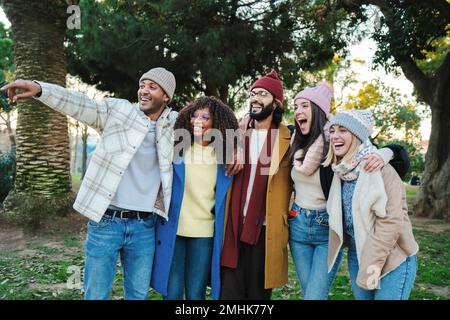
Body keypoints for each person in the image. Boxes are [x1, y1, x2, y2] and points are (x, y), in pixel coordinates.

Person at [1, 68, 178, 300]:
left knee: (137, 295)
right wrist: (41, 89)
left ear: (166, 97)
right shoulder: (118, 111)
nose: (144, 91)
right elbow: (79, 102)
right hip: (106, 222)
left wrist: (236, 147)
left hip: (144, 227)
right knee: (96, 295)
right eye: (142, 85)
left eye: (152, 87)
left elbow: (211, 126)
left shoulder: (176, 125)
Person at [288, 82, 397, 299]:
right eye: (295, 107)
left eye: (304, 106)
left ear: (318, 111)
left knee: (314, 296)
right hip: (297, 226)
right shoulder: (293, 139)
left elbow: (386, 152)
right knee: (309, 292)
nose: (298, 111)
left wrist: (385, 153)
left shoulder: (336, 143)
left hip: (326, 228)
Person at [324, 109, 419, 300]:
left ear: (357, 135)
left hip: (393, 258)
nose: (335, 136)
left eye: (342, 130)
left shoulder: (381, 169)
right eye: (332, 130)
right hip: (358, 255)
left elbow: (391, 222)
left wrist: (370, 266)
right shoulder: (340, 171)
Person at [152, 96, 239, 300]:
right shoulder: (177, 148)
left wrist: (238, 148)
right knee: (171, 294)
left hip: (204, 234)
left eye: (205, 116)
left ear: (217, 122)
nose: (197, 120)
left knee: (195, 295)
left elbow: (249, 132)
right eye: (194, 115)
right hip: (174, 230)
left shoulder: (224, 157)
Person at [220, 69, 292, 300]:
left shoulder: (289, 138)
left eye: (262, 94)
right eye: (253, 93)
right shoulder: (237, 134)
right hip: (232, 227)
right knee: (229, 295)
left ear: (276, 103)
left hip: (265, 231)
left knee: (258, 297)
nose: (255, 98)